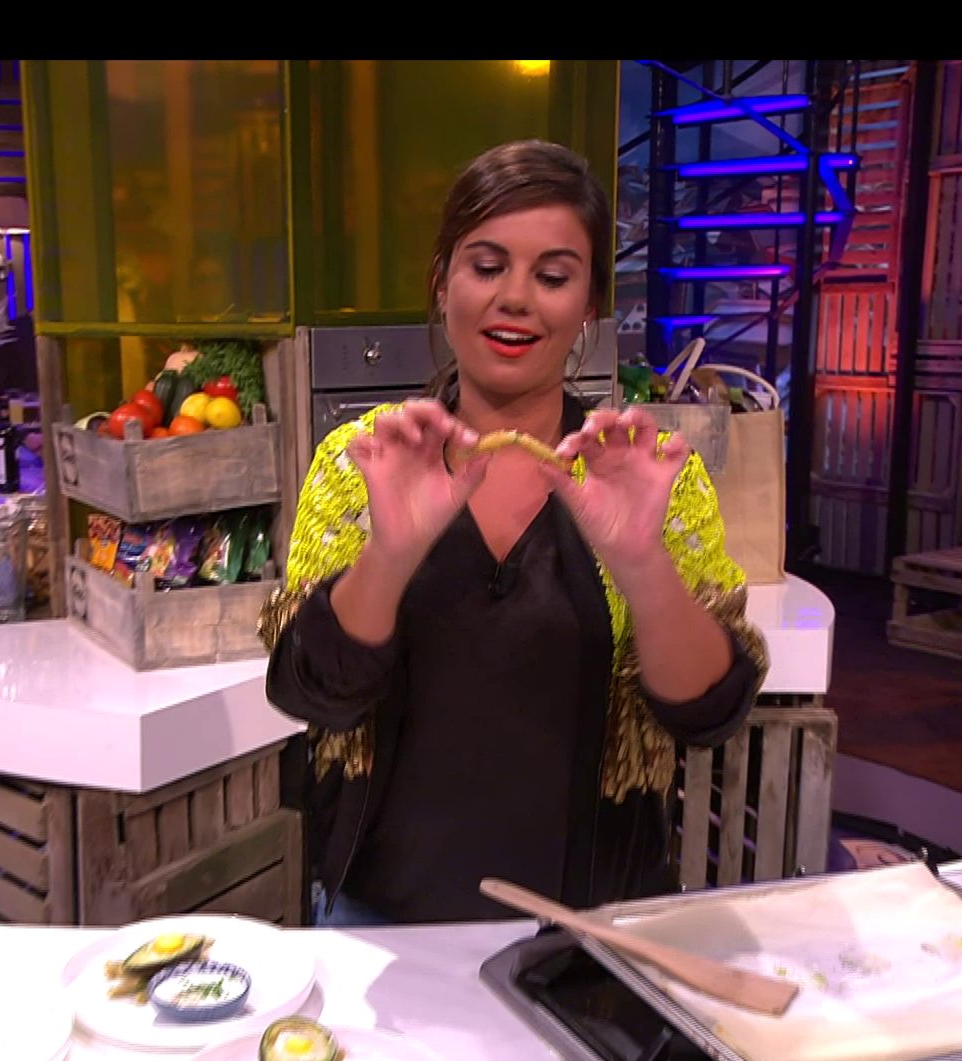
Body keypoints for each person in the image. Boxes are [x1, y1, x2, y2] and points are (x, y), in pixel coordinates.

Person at [261, 141, 769, 927]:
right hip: (384, 926)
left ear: (590, 306)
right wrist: (393, 553)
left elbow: (707, 716)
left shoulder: (652, 476)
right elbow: (312, 694)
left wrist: (638, 559)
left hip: (591, 930)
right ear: (442, 281)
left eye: (553, 276)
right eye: (487, 266)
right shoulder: (364, 461)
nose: (516, 299)